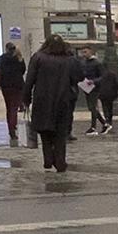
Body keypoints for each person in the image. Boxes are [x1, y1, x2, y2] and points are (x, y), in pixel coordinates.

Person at [24, 34, 81, 173]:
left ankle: (48, 158)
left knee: (45, 131)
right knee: (60, 133)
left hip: (42, 100)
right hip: (63, 100)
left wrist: (26, 99)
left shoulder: (38, 57)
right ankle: (60, 161)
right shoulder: (70, 60)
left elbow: (29, 80)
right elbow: (78, 78)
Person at [0, 43, 26, 143]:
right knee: (14, 108)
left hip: (6, 86)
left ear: (6, 49)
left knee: (9, 107)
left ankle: (11, 127)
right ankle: (13, 128)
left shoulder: (1, 58)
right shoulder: (18, 58)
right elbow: (23, 70)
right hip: (17, 86)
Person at [79, 49, 104, 136]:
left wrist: (93, 81)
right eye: (83, 52)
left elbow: (102, 76)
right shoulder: (83, 63)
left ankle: (93, 127)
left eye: (85, 52)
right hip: (86, 87)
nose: (84, 54)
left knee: (92, 107)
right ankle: (104, 124)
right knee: (91, 107)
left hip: (95, 88)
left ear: (91, 52)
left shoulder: (97, 63)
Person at [95, 61, 118, 136]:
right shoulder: (113, 74)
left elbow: (98, 83)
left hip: (103, 94)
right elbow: (117, 83)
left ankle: (107, 120)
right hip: (111, 94)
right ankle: (110, 121)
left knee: (105, 107)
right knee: (110, 107)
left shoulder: (101, 75)